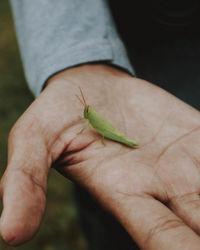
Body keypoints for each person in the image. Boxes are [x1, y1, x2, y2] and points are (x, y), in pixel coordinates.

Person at [1, 0, 200, 249]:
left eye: (86, 110)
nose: (85, 113)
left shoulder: (92, 120)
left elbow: (100, 130)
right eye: (86, 111)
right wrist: (78, 59)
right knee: (114, 207)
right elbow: (92, 125)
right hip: (130, 30)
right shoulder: (89, 117)